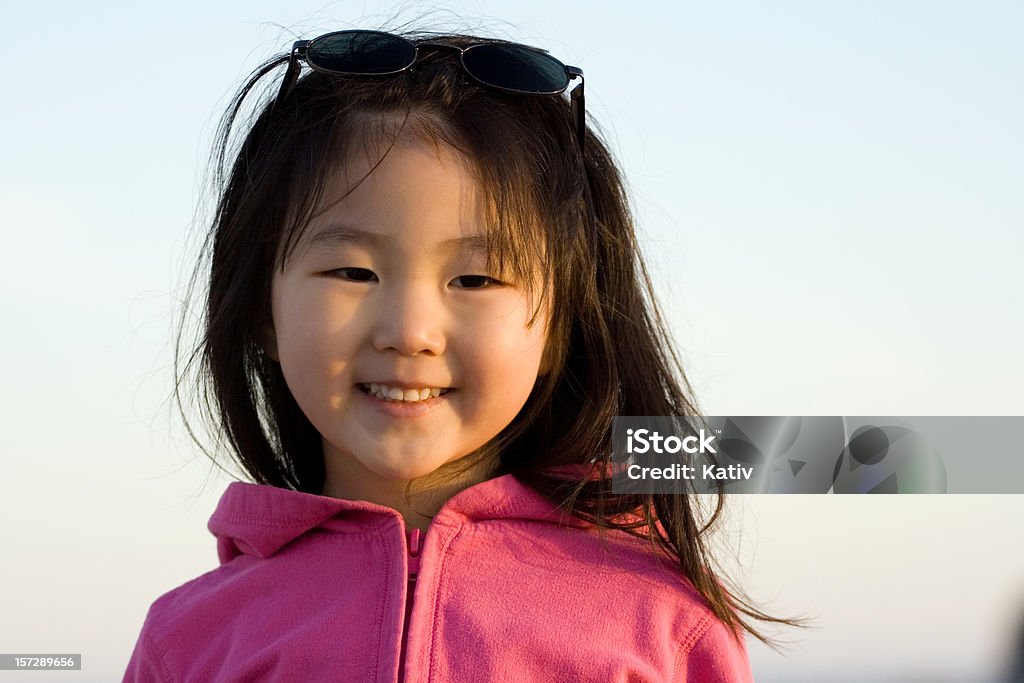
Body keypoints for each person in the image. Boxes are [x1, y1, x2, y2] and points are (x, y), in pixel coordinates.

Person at [124, 28, 786, 681]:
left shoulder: (663, 623)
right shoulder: (189, 641)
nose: (410, 331)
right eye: (351, 272)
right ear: (260, 309)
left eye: (476, 279)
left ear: (559, 329)